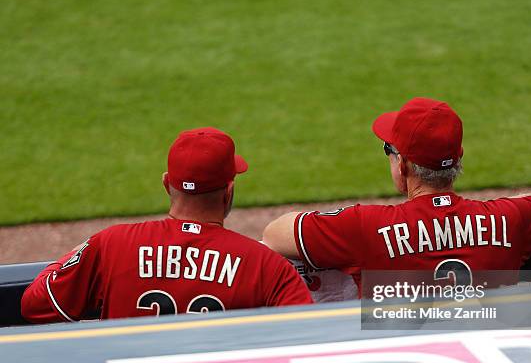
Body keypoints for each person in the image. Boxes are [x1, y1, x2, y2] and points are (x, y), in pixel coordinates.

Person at [263, 97, 531, 292]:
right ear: (458, 159)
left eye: (389, 151)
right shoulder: (510, 219)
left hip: (407, 361)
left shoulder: (363, 226)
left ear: (403, 165)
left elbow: (274, 236)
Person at [22, 127, 313, 323]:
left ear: (166, 184)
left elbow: (34, 305)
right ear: (228, 190)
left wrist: (79, 254)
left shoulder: (111, 244)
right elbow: (310, 335)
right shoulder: (267, 266)